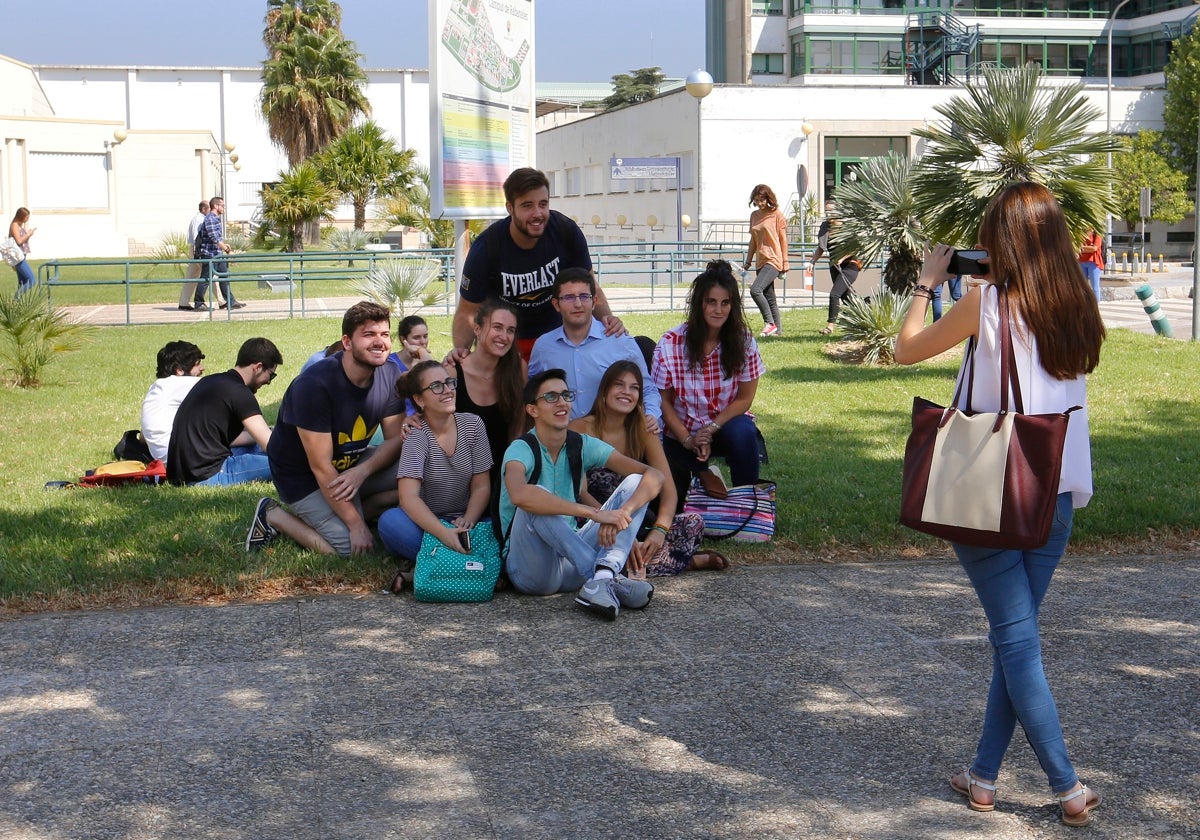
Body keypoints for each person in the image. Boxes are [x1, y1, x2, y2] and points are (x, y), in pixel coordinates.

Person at [894, 182, 1105, 827]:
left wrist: (927, 282)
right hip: (1056, 488)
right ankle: (983, 776)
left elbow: (904, 349)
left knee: (1016, 640)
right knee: (1018, 641)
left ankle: (1066, 786)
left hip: (990, 488)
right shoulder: (1077, 306)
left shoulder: (985, 304)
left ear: (998, 242)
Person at [499, 369, 663, 620]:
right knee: (535, 498)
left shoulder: (580, 444)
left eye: (566, 395)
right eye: (551, 397)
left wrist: (622, 514)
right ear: (533, 410)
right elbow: (520, 495)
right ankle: (603, 576)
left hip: (571, 565)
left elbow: (654, 476)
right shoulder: (520, 449)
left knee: (636, 482)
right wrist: (595, 514)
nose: (562, 402)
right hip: (531, 572)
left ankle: (604, 576)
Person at [251, 302, 407, 556]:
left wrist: (362, 471)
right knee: (350, 552)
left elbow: (394, 440)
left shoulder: (390, 373)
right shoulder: (314, 386)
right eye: (368, 334)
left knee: (417, 471)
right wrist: (355, 525)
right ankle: (273, 515)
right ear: (347, 342)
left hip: (351, 466)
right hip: (304, 478)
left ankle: (356, 510)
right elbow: (321, 466)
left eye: (384, 334)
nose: (379, 342)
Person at [571, 361, 727, 577]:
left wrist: (660, 529)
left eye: (634, 388)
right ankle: (682, 562)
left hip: (635, 521)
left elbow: (668, 490)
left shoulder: (643, 429)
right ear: (604, 390)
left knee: (693, 523)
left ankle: (631, 562)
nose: (627, 392)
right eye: (619, 385)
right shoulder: (579, 429)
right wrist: (616, 525)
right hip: (594, 519)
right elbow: (579, 492)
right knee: (582, 540)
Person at [450, 167, 623, 361]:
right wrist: (461, 354)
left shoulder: (565, 231)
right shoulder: (487, 248)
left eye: (543, 204)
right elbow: (468, 310)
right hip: (508, 343)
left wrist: (609, 322)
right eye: (527, 205)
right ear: (510, 207)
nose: (537, 213)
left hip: (557, 337)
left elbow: (591, 287)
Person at [652, 260, 766, 504]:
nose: (718, 310)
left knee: (744, 432)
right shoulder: (670, 344)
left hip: (722, 426)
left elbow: (745, 398)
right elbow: (662, 401)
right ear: (699, 304)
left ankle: (745, 503)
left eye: (725, 303)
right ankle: (703, 475)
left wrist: (711, 428)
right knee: (676, 501)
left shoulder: (744, 342)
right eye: (711, 302)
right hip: (679, 433)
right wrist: (688, 438)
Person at [376, 360, 492, 573]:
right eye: (437, 386)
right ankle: (469, 564)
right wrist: (443, 533)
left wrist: (468, 521)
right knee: (390, 522)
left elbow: (481, 486)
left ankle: (440, 562)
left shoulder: (473, 425)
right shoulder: (416, 435)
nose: (448, 390)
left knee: (500, 523)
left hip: (465, 519)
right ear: (419, 399)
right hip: (426, 525)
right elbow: (408, 498)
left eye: (450, 382)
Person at [528, 267, 661, 432]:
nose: (578, 304)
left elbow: (647, 388)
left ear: (594, 301)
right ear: (556, 304)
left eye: (584, 296)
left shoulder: (620, 341)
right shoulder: (543, 347)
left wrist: (651, 415)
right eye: (569, 297)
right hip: (563, 441)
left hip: (613, 441)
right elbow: (532, 393)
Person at [166, 337, 280, 486]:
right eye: (271, 375)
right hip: (207, 475)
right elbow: (271, 446)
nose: (269, 382)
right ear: (258, 367)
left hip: (181, 473)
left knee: (256, 448)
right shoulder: (240, 392)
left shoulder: (211, 381)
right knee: (292, 464)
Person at [455, 299, 527, 487]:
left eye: (510, 330)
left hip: (502, 470)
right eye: (497, 327)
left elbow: (518, 423)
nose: (504, 336)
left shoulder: (517, 368)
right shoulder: (452, 370)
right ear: (477, 329)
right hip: (459, 473)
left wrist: (513, 465)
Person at [141, 340, 205, 463]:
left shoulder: (157, 388)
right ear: (179, 370)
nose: (202, 368)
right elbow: (222, 385)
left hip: (167, 458)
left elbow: (143, 438)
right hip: (186, 458)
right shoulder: (176, 383)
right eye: (197, 364)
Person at [741, 184, 788, 337]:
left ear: (768, 199)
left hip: (774, 259)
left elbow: (783, 240)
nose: (759, 204)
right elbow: (753, 241)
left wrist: (785, 262)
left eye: (762, 200)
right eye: (756, 200)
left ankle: (770, 323)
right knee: (770, 297)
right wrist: (747, 262)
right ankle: (778, 331)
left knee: (755, 290)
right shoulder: (754, 216)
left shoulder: (776, 214)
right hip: (760, 261)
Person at [810, 198, 861, 336]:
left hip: (851, 265)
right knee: (846, 297)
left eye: (831, 211)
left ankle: (830, 326)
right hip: (834, 265)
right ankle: (861, 320)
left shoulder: (846, 226)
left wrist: (842, 257)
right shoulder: (825, 226)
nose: (829, 214)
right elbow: (820, 248)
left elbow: (856, 247)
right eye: (827, 211)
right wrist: (812, 261)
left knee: (834, 294)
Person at [192, 196, 242, 311]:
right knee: (206, 278)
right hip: (210, 254)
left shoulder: (216, 219)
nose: (224, 208)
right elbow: (214, 238)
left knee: (224, 276)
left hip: (217, 253)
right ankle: (198, 303)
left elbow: (217, 238)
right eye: (222, 206)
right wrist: (228, 251)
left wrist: (225, 246)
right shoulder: (210, 219)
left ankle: (230, 301)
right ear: (216, 206)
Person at [179, 200, 212, 311]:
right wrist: (198, 252)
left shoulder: (199, 219)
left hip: (195, 250)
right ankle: (223, 301)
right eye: (209, 208)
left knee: (191, 277)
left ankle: (183, 302)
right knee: (211, 274)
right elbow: (196, 238)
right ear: (204, 209)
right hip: (198, 250)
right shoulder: (199, 220)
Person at [8, 208, 36, 296]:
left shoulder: (19, 225)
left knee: (22, 282)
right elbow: (19, 241)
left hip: (21, 255)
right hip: (18, 257)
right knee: (32, 281)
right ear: (21, 216)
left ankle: (16, 305)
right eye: (26, 217)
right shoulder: (14, 225)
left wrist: (28, 235)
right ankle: (14, 301)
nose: (27, 219)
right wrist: (29, 234)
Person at [1078, 228, 1104, 300]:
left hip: (1093, 262)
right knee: (1082, 285)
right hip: (1082, 261)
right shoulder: (1081, 235)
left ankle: (1096, 305)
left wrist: (1083, 248)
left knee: (1095, 286)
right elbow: (1077, 247)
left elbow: (1094, 249)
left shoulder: (1097, 236)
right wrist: (1088, 248)